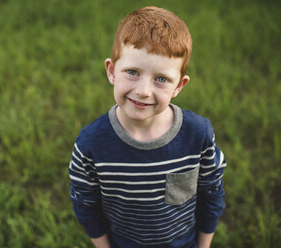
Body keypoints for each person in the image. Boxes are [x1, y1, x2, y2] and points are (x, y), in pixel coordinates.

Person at [69, 6, 226, 248]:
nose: (143, 91)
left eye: (161, 79)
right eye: (132, 72)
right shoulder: (91, 144)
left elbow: (212, 192)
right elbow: (85, 204)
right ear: (111, 71)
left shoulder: (198, 134)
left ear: (179, 86)